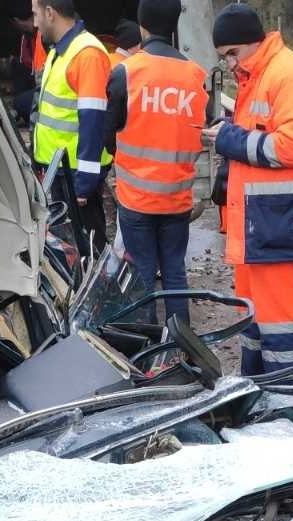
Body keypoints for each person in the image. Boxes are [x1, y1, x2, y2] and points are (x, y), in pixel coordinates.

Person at [201, 3, 293, 376]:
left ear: (252, 42)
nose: (231, 64)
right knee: (252, 313)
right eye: (225, 58)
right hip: (258, 222)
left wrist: (230, 138)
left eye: (233, 54)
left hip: (276, 221)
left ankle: (284, 398)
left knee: (276, 319)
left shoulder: (285, 74)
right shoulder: (257, 75)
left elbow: (289, 147)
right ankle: (254, 385)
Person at [106, 0, 207, 324]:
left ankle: (148, 355)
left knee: (144, 273)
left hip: (136, 200)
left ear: (142, 25)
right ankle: (182, 347)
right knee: (175, 272)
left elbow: (109, 132)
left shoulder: (127, 72)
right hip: (177, 198)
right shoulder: (194, 75)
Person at [32, 0, 113, 254]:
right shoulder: (61, 51)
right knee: (69, 249)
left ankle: (99, 293)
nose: (34, 23)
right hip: (61, 169)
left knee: (88, 248)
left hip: (76, 173)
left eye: (35, 14)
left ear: (49, 13)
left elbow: (93, 120)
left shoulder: (86, 53)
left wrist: (85, 183)